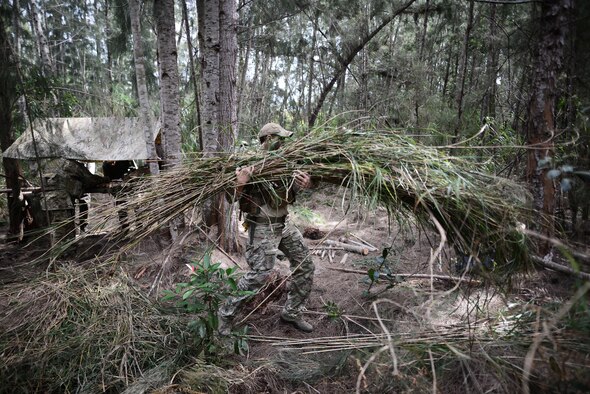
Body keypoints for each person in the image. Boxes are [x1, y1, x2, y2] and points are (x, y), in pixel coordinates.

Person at [218, 123, 316, 334]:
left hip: (284, 223)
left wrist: (305, 183)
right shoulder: (248, 163)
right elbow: (230, 197)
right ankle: (224, 316)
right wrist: (241, 182)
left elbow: (291, 191)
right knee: (259, 275)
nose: (283, 143)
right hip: (262, 227)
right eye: (279, 139)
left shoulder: (285, 162)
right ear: (268, 140)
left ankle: (292, 313)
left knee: (305, 265)